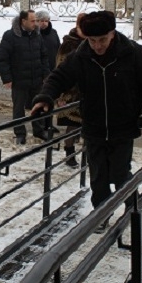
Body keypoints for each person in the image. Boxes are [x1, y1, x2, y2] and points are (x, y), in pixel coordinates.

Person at [31, 10, 142, 231]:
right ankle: (101, 214)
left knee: (121, 173)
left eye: (102, 40)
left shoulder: (136, 54)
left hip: (124, 125)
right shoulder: (81, 56)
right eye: (92, 40)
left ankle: (132, 206)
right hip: (93, 126)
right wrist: (46, 97)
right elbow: (59, 77)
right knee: (98, 174)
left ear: (112, 34)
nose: (98, 45)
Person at [0, 9, 50, 144]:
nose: (35, 23)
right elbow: (1, 58)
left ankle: (39, 130)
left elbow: (43, 56)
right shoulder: (10, 36)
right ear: (23, 21)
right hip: (19, 81)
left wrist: (45, 74)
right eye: (32, 21)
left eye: (36, 20)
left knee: (38, 106)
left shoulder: (37, 35)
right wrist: (7, 78)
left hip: (36, 80)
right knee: (19, 109)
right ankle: (20, 134)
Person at [55, 12, 86, 168]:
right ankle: (70, 154)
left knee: (88, 126)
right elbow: (60, 69)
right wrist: (61, 94)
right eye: (82, 26)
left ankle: (89, 156)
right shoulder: (69, 44)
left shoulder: (92, 42)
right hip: (71, 93)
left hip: (88, 92)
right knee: (72, 125)